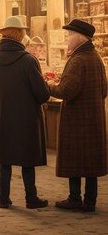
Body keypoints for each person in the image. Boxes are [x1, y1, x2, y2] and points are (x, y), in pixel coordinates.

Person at [0, 16, 50, 210]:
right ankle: (31, 198)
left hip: (1, 118)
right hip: (26, 118)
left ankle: (3, 198)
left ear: (3, 34)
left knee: (4, 160)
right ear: (20, 35)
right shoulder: (28, 61)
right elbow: (42, 94)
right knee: (28, 160)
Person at [47, 19, 107, 212]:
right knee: (90, 163)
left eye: (69, 35)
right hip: (93, 118)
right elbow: (104, 89)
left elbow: (66, 90)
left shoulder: (78, 60)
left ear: (79, 38)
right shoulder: (95, 57)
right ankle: (90, 201)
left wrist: (47, 87)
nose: (67, 39)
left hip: (77, 120)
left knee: (75, 160)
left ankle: (74, 198)